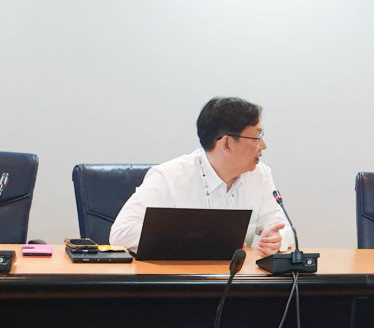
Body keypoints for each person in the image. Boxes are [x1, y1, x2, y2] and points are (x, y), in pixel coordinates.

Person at [109, 97, 292, 256]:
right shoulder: (169, 177)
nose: (263, 146)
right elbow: (121, 233)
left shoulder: (260, 175)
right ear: (227, 143)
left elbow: (286, 230)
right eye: (256, 138)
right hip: (178, 280)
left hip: (237, 280)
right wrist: (195, 237)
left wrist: (277, 239)